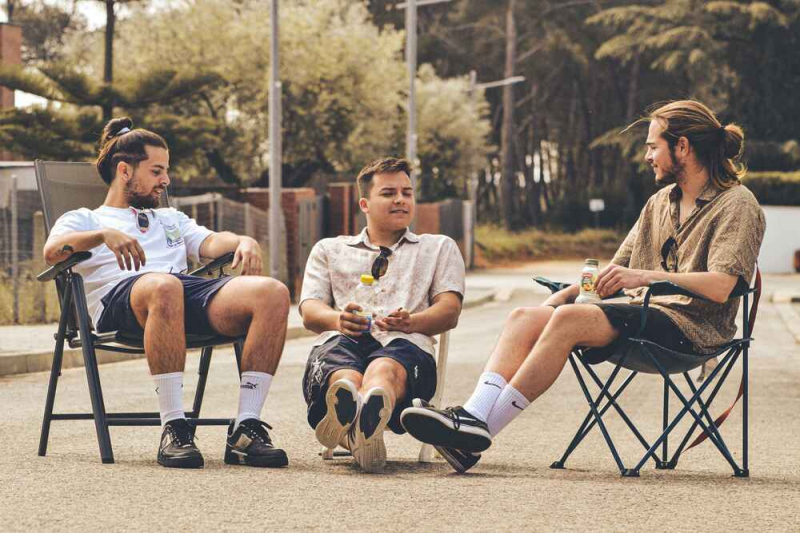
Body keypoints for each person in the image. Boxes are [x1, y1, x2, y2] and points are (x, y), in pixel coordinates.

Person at [400, 100, 766, 473]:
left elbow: (721, 286)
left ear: (682, 147)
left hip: (693, 330)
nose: (647, 156)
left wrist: (646, 277)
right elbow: (613, 272)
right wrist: (561, 298)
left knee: (569, 319)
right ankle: (472, 418)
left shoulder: (737, 204)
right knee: (525, 315)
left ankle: (480, 430)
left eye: (653, 146)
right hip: (642, 319)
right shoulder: (659, 203)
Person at [43, 117, 291, 469]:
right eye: (157, 171)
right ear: (125, 171)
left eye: (166, 171)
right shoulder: (85, 219)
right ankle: (175, 426)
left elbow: (211, 243)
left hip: (180, 296)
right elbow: (52, 253)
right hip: (121, 302)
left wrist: (243, 240)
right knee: (164, 285)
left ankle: (246, 429)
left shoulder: (171, 218)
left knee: (272, 292)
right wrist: (102, 236)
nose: (166, 180)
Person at [299, 157, 465, 473]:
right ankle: (359, 421)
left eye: (407, 193)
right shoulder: (330, 249)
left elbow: (450, 310)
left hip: (406, 345)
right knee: (344, 375)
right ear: (365, 204)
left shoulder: (438, 248)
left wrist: (413, 322)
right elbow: (310, 310)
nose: (400, 199)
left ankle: (355, 419)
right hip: (343, 340)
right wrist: (337, 320)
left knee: (384, 369)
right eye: (389, 193)